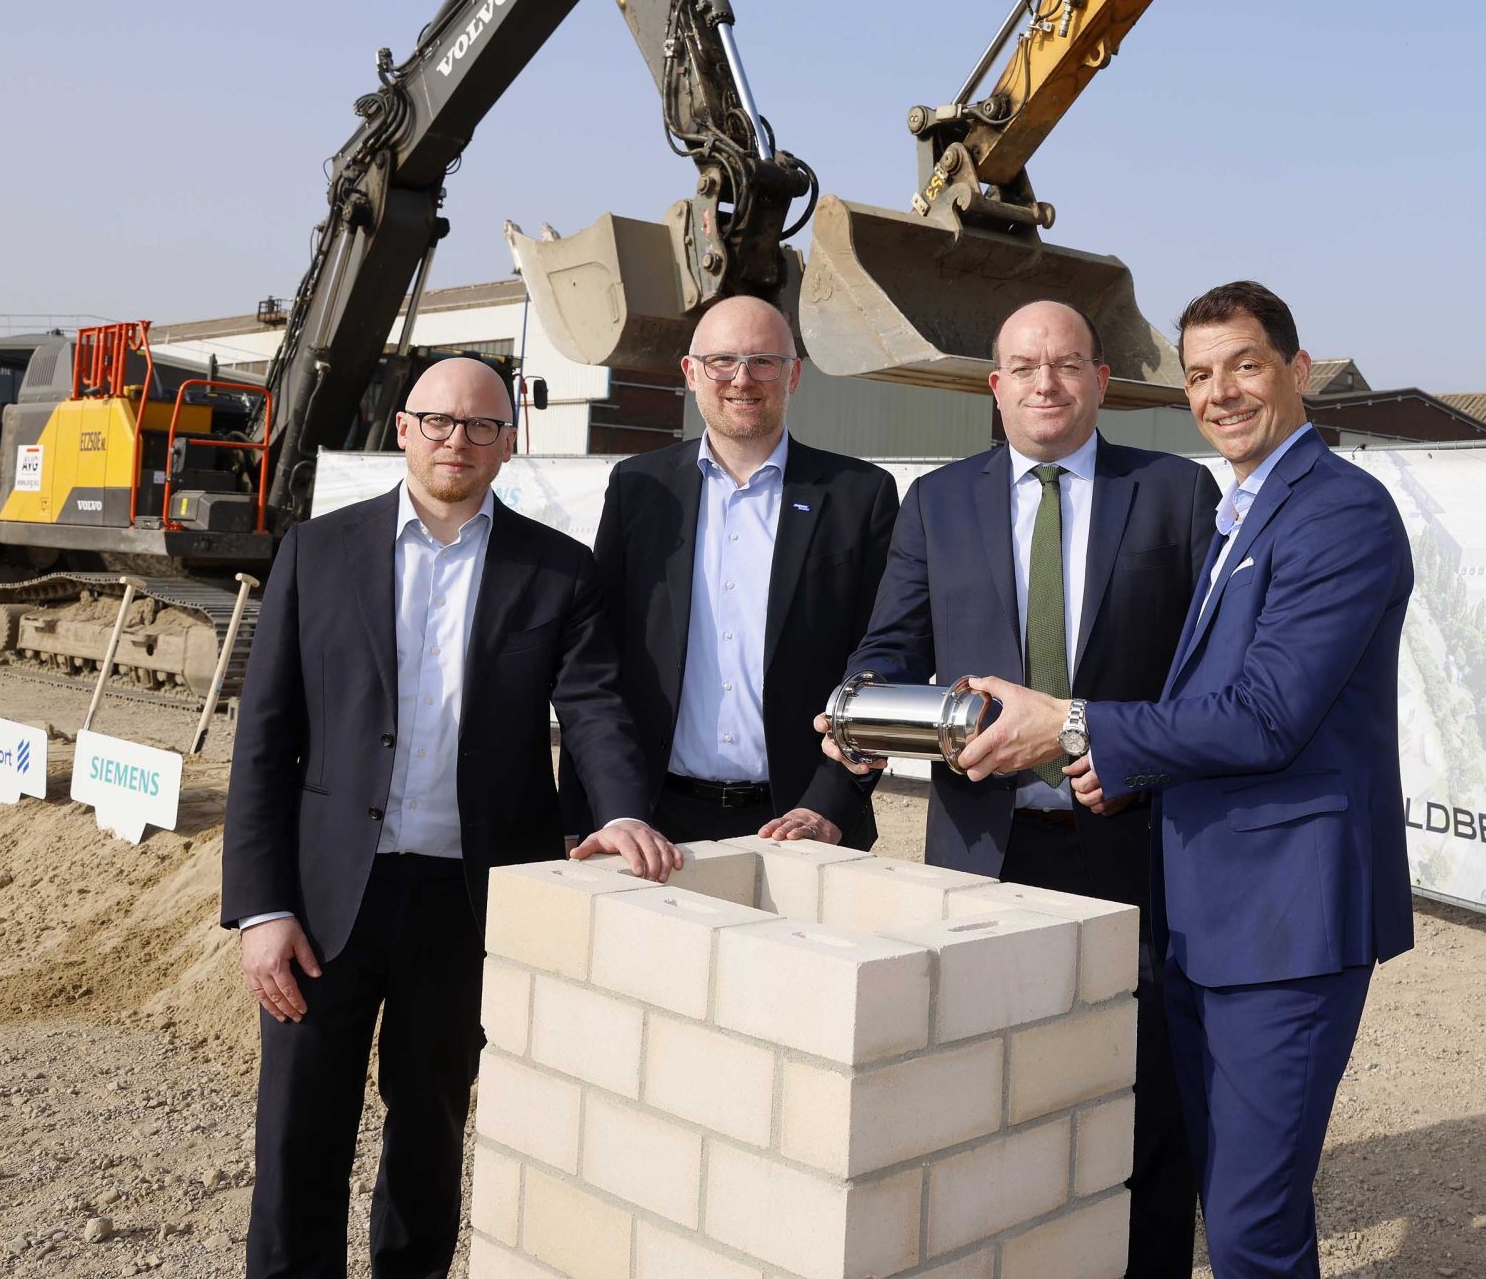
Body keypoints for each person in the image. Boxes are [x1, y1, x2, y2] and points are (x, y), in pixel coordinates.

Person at [955, 281, 1416, 1279]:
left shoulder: (1338, 511)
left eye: (1245, 366)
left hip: (1286, 925)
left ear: (1297, 371)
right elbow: (1206, 703)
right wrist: (1125, 770)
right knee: (1236, 1204)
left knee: (1251, 1230)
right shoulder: (1242, 510)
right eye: (1200, 375)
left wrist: (1072, 722)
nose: (1220, 393)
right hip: (1209, 918)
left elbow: (1267, 713)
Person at [221, 356, 677, 1279]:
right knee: (299, 1131)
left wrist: (624, 811)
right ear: (402, 429)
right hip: (324, 901)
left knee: (430, 1130)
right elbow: (264, 742)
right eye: (436, 420)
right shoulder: (317, 552)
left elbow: (592, 706)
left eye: (480, 426)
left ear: (508, 444)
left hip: (465, 903)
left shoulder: (557, 571)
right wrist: (260, 907)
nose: (455, 441)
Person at [827, 298, 1210, 1276]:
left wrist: (1134, 761)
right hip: (983, 854)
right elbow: (888, 649)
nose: (1047, 382)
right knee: (986, 1094)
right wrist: (863, 716)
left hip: (1131, 843)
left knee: (1143, 1100)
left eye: (1068, 363)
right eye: (1025, 367)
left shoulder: (1175, 493)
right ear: (994, 387)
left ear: (1102, 382)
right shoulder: (938, 502)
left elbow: (1202, 681)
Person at [570, 293, 898, 848]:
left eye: (764, 361)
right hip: (652, 821)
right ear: (691, 373)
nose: (742, 379)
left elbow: (882, 662)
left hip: (801, 825)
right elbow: (598, 660)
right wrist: (609, 809)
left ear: (794, 376)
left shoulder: (859, 497)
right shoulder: (637, 490)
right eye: (722, 361)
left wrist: (829, 803)